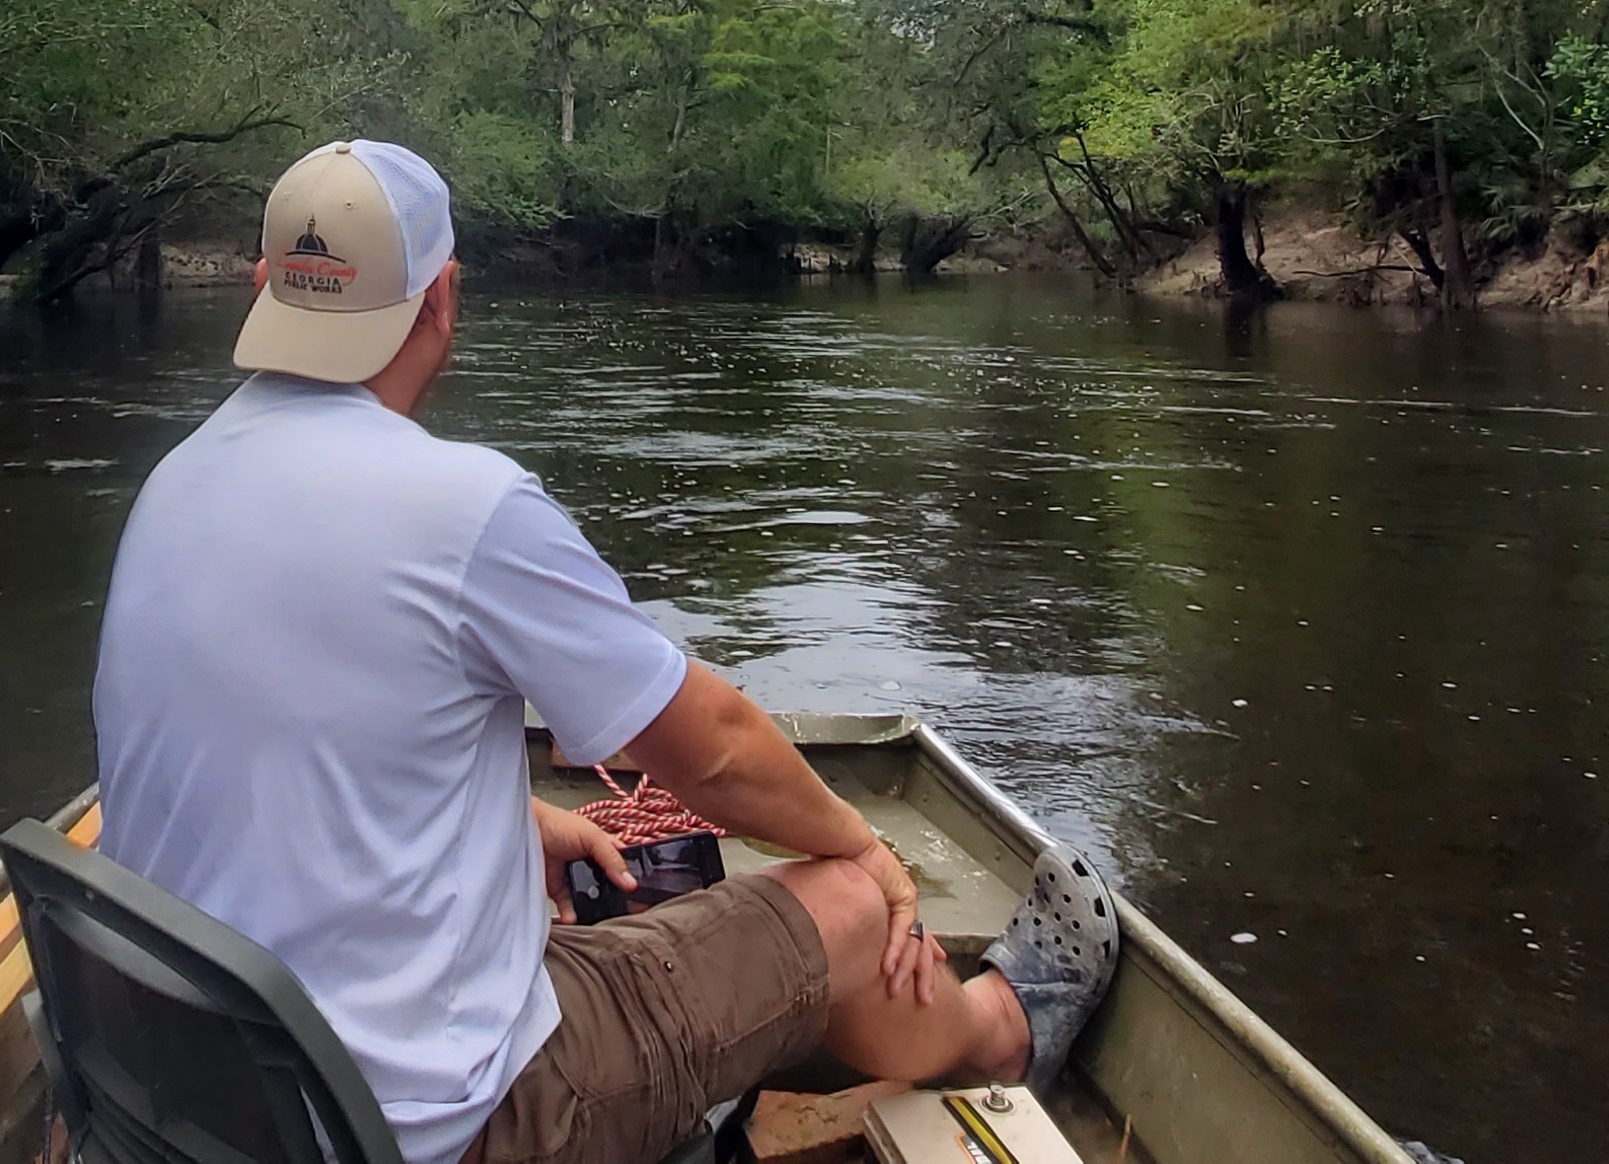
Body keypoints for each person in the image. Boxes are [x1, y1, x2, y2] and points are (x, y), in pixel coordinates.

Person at [92, 139, 1117, 1164]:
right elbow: (711, 750)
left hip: (206, 1103)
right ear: (442, 298)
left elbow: (285, 730)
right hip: (442, 1131)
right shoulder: (467, 507)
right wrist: (858, 844)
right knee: (845, 911)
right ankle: (1003, 1034)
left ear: (263, 285)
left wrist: (514, 814)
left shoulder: (171, 486)